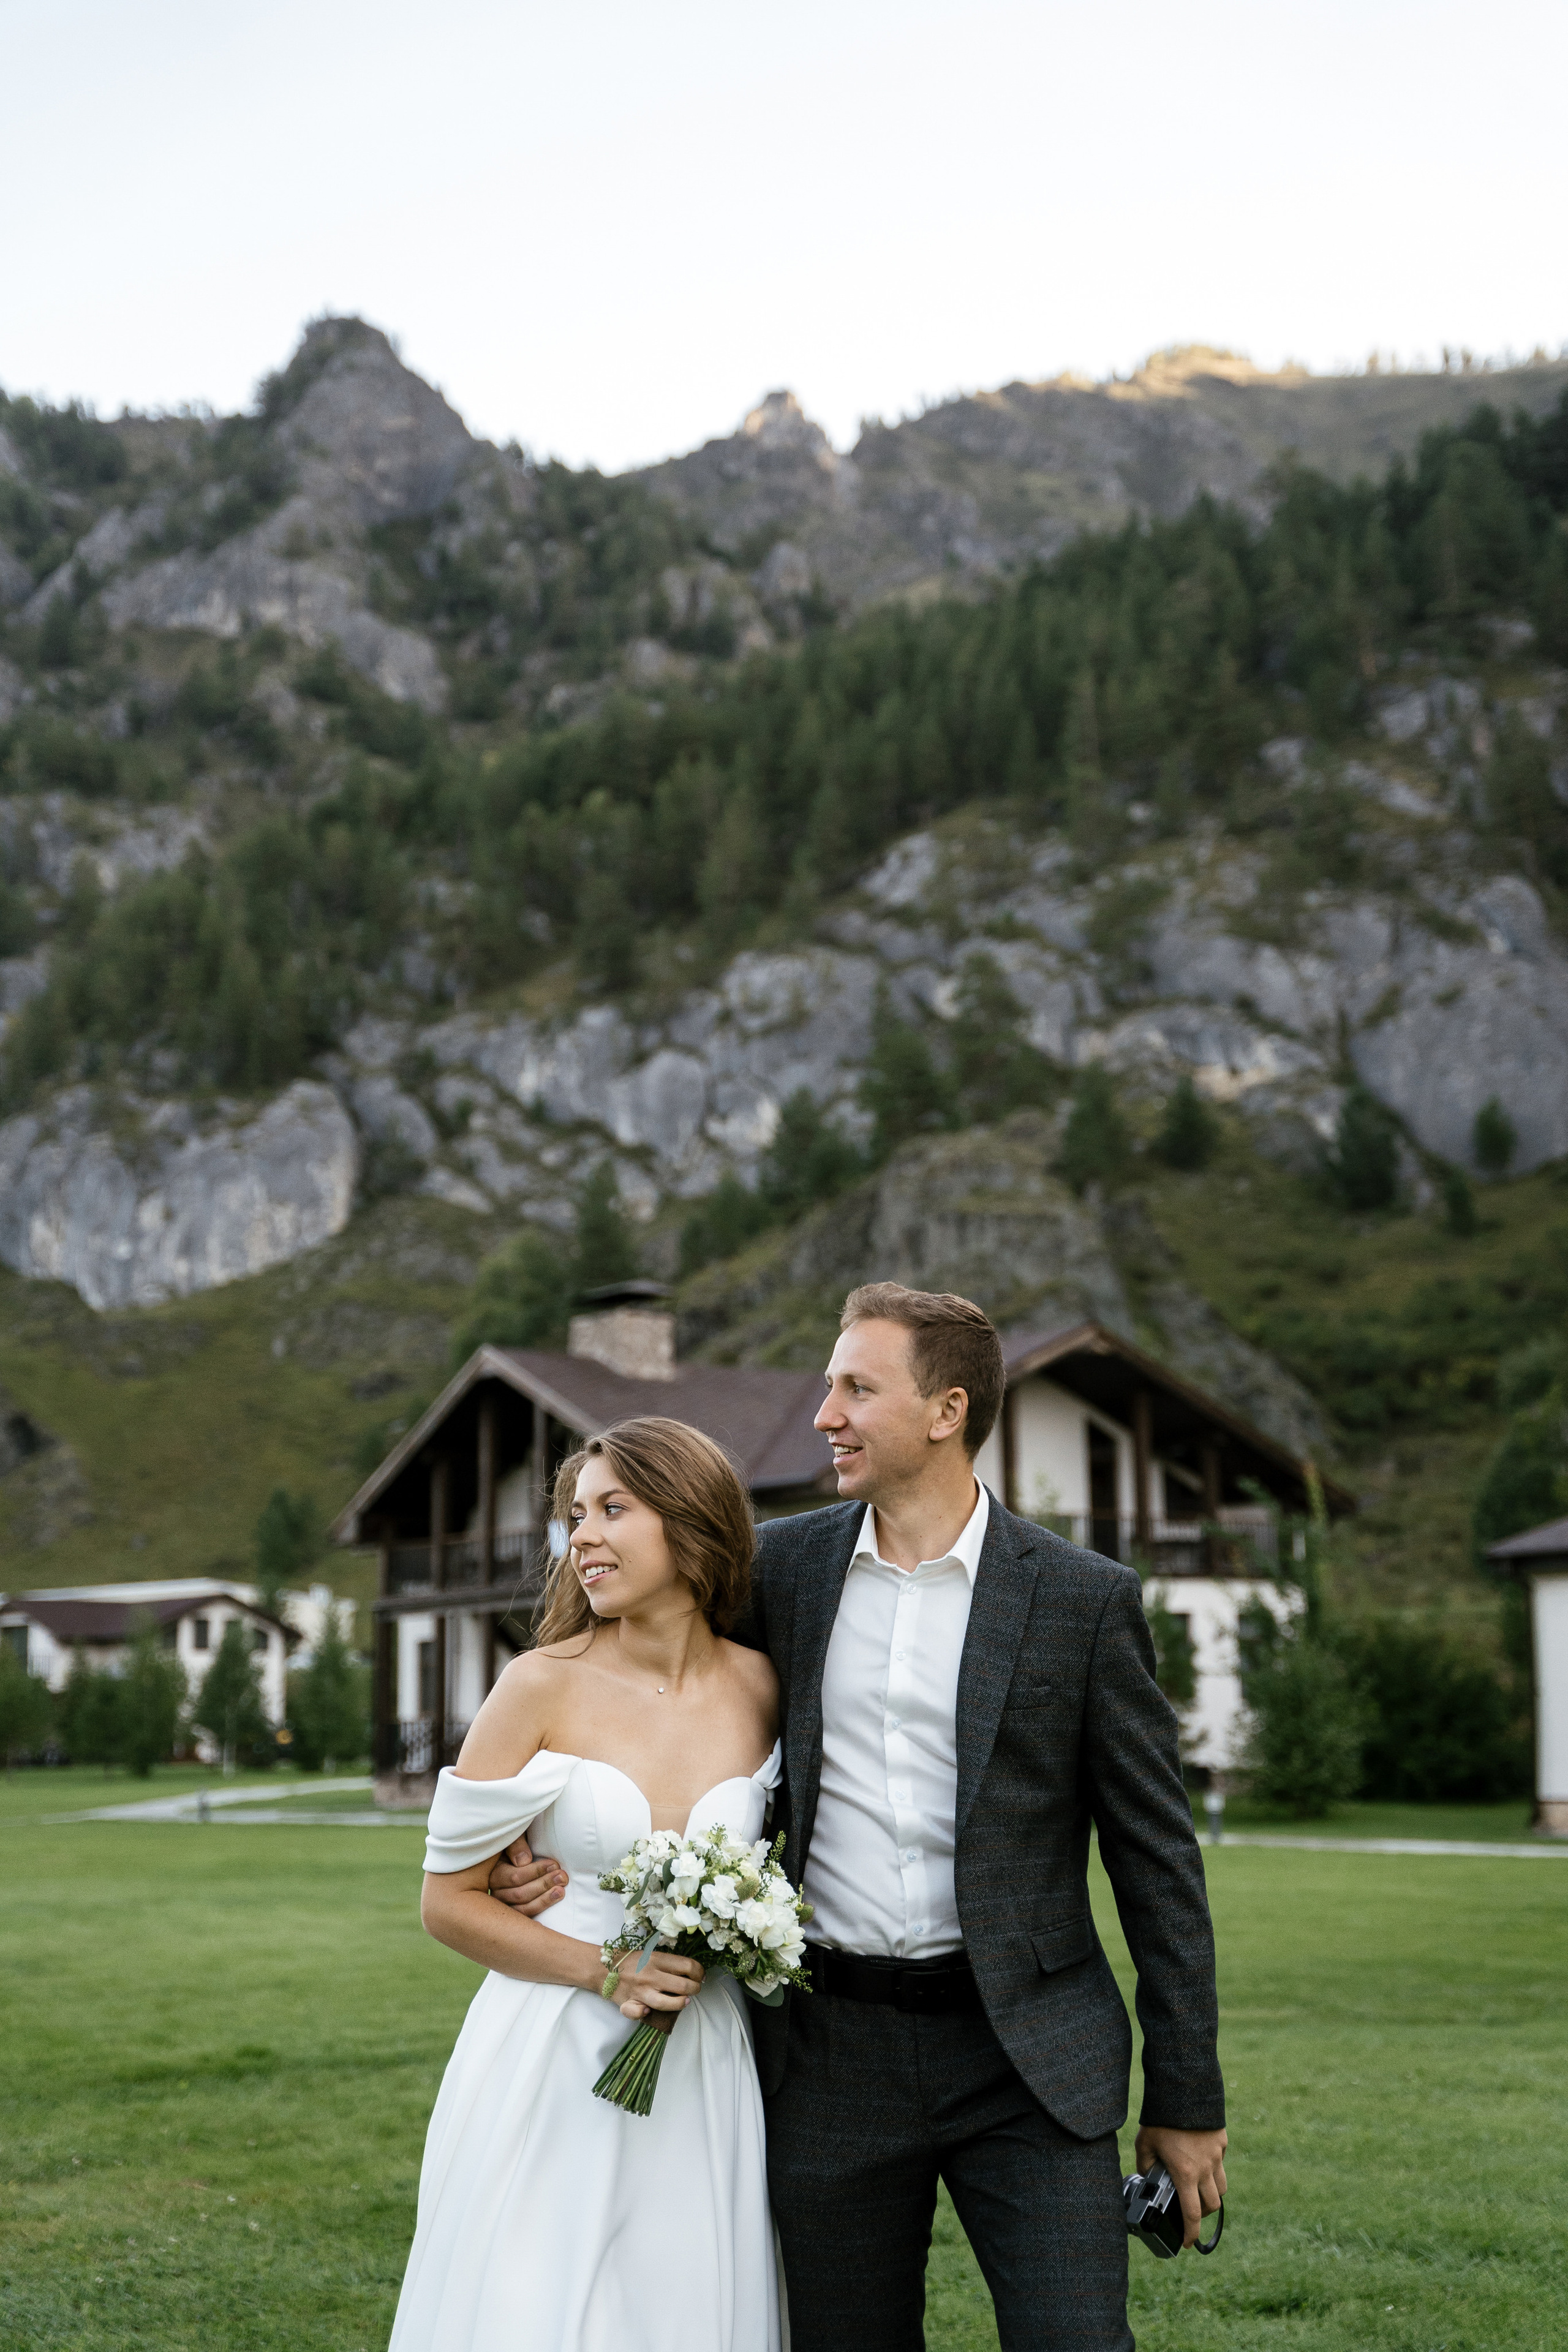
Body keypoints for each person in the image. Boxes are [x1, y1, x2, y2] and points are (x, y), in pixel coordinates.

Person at [496, 1280, 1226, 2352]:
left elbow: (1158, 1863)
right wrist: (530, 1821)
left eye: (855, 1388)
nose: (823, 1414)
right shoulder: (782, 1571)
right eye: (827, 1386)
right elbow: (643, 1666)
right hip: (826, 2054)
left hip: (1029, 2062)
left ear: (948, 1412)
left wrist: (1188, 2095)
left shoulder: (1084, 1600)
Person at [389, 1414, 782, 2352]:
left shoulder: (765, 1686)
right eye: (575, 1515)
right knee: (538, 2306)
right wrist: (608, 1967)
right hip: (553, 2051)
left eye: (613, 1508)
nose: (582, 1538)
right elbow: (447, 1903)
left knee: (683, 2304)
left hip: (703, 2058)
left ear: (690, 1521)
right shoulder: (539, 1683)